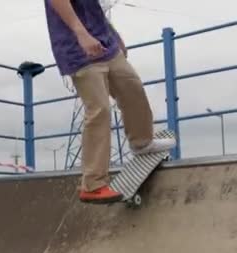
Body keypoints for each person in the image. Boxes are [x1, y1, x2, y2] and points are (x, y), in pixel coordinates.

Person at [44, 0, 177, 204]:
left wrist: (114, 35)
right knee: (99, 109)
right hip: (79, 49)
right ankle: (93, 184)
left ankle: (142, 142)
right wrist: (82, 34)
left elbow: (93, 9)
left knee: (132, 88)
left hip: (106, 44)